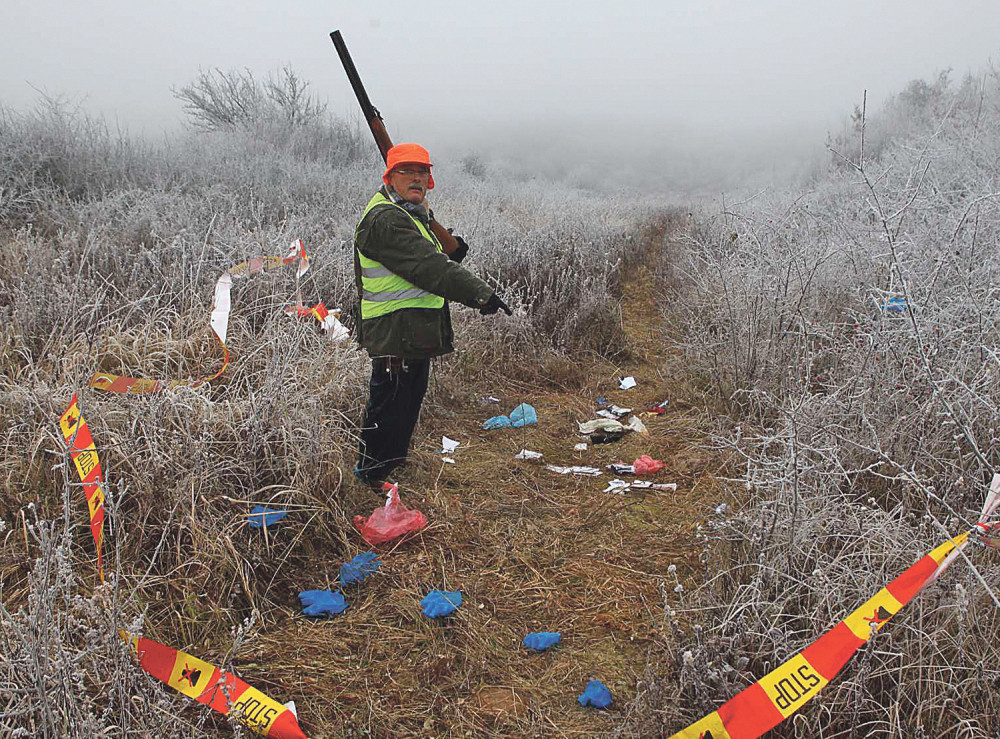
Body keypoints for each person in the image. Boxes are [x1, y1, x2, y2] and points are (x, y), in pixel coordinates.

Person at [352, 143, 511, 487]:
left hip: (411, 329)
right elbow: (430, 267)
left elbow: (445, 257)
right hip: (393, 329)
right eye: (407, 171)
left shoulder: (410, 214)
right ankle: (369, 475)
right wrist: (481, 294)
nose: (417, 178)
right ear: (389, 178)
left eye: (423, 172)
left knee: (406, 402)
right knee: (389, 403)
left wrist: (434, 223)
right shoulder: (387, 218)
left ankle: (389, 466)